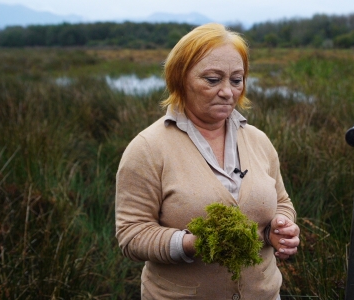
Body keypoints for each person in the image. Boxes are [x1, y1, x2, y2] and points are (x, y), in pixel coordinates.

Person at [115, 23, 300, 300]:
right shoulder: (148, 149)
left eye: (236, 80)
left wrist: (281, 226)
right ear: (180, 79)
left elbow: (282, 202)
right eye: (213, 80)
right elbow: (132, 234)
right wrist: (193, 244)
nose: (228, 92)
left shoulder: (259, 140)